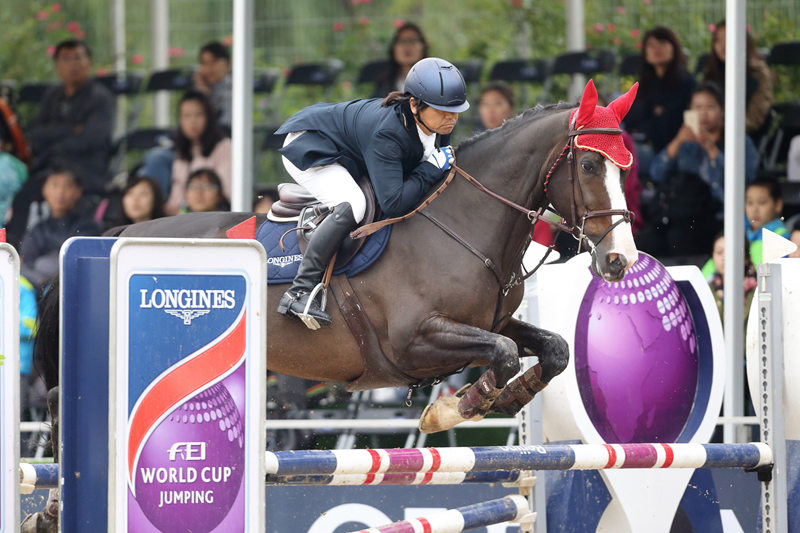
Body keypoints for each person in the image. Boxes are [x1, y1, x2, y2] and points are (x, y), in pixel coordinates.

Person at [274, 57, 468, 328]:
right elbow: (394, 203)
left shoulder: (438, 123)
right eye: (443, 110)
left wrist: (430, 168)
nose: (452, 118)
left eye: (456, 110)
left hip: (348, 148)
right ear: (414, 104)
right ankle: (299, 291)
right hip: (310, 145)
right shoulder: (388, 133)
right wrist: (430, 169)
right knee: (354, 204)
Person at [7, 39, 113, 246]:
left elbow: (92, 139)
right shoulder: (52, 96)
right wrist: (72, 129)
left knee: (68, 194)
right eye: (65, 59)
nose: (72, 65)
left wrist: (56, 137)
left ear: (88, 62)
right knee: (24, 194)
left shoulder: (101, 98)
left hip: (86, 170)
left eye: (78, 58)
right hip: (51, 168)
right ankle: (16, 251)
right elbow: (36, 134)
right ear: (57, 66)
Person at [643, 82, 758, 256]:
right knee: (645, 241)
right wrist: (678, 141)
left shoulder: (740, 142)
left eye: (710, 107)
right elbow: (656, 173)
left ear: (723, 110)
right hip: (680, 213)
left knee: (680, 238)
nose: (703, 113)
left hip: (718, 215)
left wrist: (711, 149)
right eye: (697, 107)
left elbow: (743, 182)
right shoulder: (686, 143)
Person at [623, 26, 696, 176]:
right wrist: (653, 110)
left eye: (662, 43)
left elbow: (673, 119)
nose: (657, 49)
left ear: (673, 47)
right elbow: (630, 115)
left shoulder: (686, 82)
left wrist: (650, 113)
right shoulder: (644, 82)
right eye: (651, 45)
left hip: (673, 147)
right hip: (645, 142)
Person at [19, 164, 102, 291]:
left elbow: (80, 263)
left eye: (68, 186)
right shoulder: (38, 229)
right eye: (54, 185)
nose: (60, 192)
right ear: (44, 189)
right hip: (39, 293)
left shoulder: (88, 227)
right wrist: (42, 282)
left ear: (78, 191)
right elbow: (23, 263)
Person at [703, 20, 774, 136]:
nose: (722, 45)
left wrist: (721, 131)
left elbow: (754, 119)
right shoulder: (710, 72)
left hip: (742, 138)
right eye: (718, 40)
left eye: (728, 38)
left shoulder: (758, 73)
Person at [166, 90, 231, 215]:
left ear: (209, 117)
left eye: (198, 114)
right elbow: (176, 198)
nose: (192, 121)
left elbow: (226, 192)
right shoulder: (182, 152)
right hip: (184, 217)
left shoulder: (224, 147)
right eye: (186, 115)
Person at [372, 22, 429, 97]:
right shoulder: (382, 84)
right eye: (402, 41)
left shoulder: (435, 81)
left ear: (423, 47)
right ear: (393, 48)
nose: (407, 46)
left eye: (413, 40)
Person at [745, 177, 788, 266]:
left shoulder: (781, 238)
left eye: (762, 202)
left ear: (778, 205)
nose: (755, 209)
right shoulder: (739, 234)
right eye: (750, 202)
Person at [193, 41, 232, 128]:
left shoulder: (235, 89)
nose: (208, 68)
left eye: (213, 62)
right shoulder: (201, 88)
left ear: (227, 63)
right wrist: (202, 91)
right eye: (204, 63)